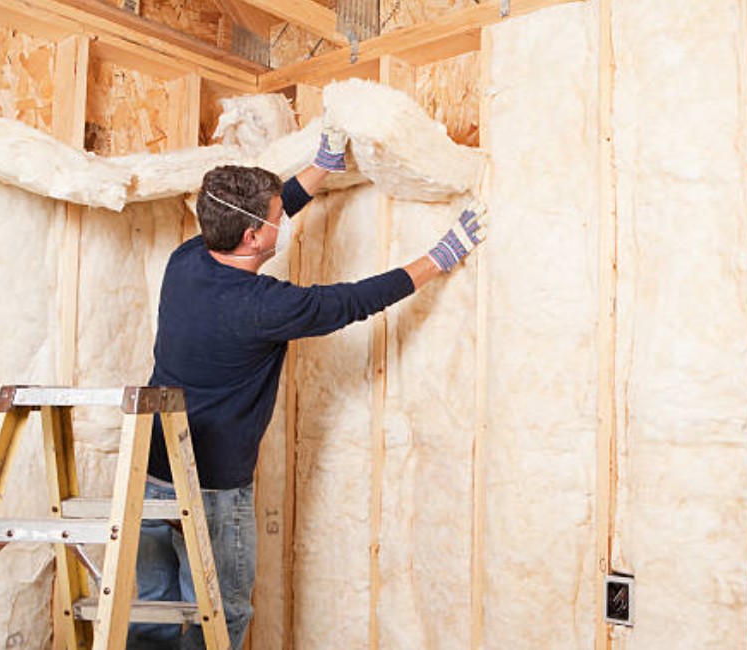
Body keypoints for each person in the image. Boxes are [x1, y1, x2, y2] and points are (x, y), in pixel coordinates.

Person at [126, 126, 486, 649]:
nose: (281, 221)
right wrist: (441, 255)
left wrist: (321, 167)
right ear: (253, 238)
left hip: (150, 469)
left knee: (152, 607)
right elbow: (355, 299)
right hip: (212, 492)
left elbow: (259, 214)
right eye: (276, 219)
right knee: (219, 616)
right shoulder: (265, 306)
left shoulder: (187, 259)